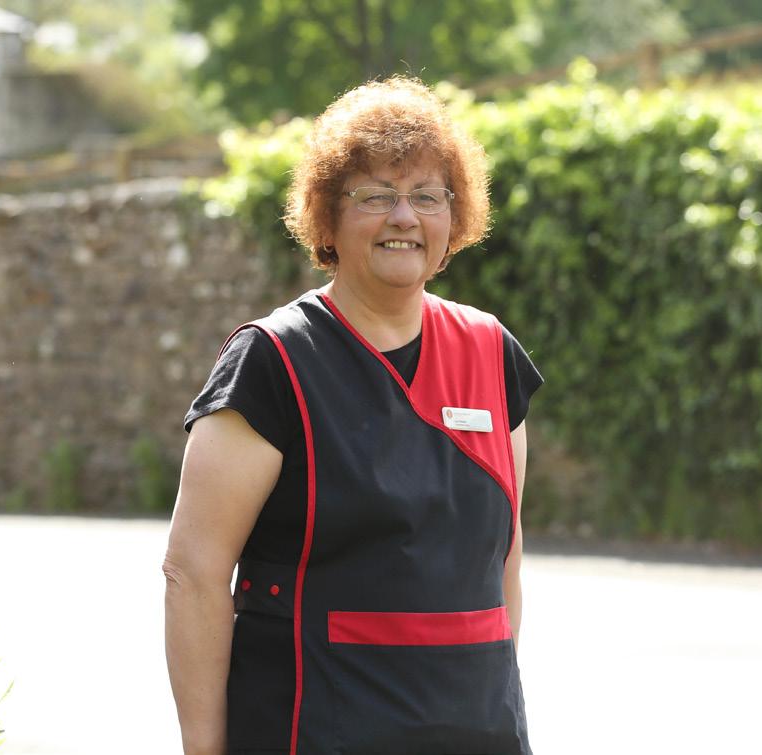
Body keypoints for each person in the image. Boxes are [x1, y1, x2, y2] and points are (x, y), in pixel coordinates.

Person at [164, 76, 543, 755]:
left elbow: (503, 560)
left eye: (426, 196)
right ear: (327, 218)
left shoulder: (492, 353)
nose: (404, 217)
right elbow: (193, 573)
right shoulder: (272, 361)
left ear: (453, 216)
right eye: (375, 195)